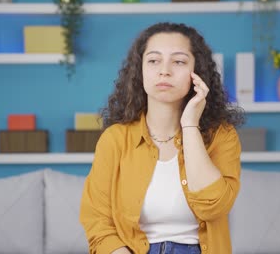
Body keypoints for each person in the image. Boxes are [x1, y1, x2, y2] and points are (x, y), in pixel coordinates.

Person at [79, 22, 245, 254]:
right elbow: (97, 221)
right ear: (140, 71)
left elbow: (214, 207)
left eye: (178, 61)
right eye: (154, 60)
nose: (164, 70)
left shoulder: (222, 136)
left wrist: (190, 126)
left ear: (197, 72)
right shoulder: (114, 139)